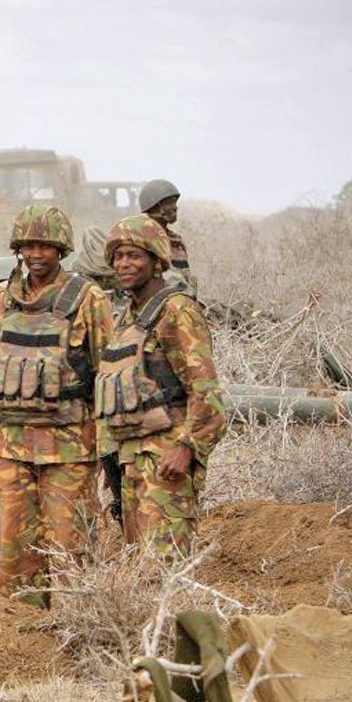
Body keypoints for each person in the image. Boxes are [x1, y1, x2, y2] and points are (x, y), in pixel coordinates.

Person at [0, 204, 113, 607]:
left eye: (45, 247)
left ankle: (76, 625)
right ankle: (18, 637)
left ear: (61, 249)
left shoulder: (87, 299)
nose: (36, 255)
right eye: (28, 246)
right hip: (11, 447)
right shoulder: (5, 301)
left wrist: (108, 446)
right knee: (15, 550)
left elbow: (107, 373)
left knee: (70, 547)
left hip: (69, 447)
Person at [95, 215, 226, 554]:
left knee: (163, 566)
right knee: (138, 564)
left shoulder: (176, 311)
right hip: (130, 458)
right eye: (118, 257)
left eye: (135, 256)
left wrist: (187, 447)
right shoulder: (127, 317)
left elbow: (206, 392)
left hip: (166, 459)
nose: (124, 264)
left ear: (156, 261)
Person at [139, 179, 195, 292]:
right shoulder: (141, 239)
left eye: (175, 202)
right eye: (169, 203)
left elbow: (186, 277)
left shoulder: (176, 240)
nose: (175, 207)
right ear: (154, 206)